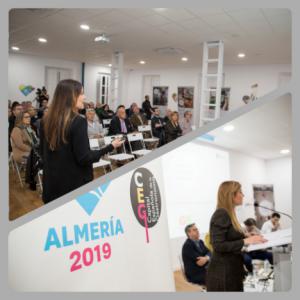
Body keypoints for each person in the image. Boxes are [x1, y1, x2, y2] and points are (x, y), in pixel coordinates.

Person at [40, 79, 123, 204]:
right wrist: (110, 146)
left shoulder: (45, 120)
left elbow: (43, 152)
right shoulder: (78, 121)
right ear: (71, 96)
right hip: (73, 187)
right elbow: (85, 158)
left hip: (52, 186)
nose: (84, 97)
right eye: (81, 93)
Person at [206, 181, 267, 291]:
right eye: (240, 192)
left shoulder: (229, 213)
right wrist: (246, 241)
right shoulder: (221, 214)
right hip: (223, 273)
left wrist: (246, 237)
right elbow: (218, 245)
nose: (243, 195)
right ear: (231, 194)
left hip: (232, 269)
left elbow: (229, 237)